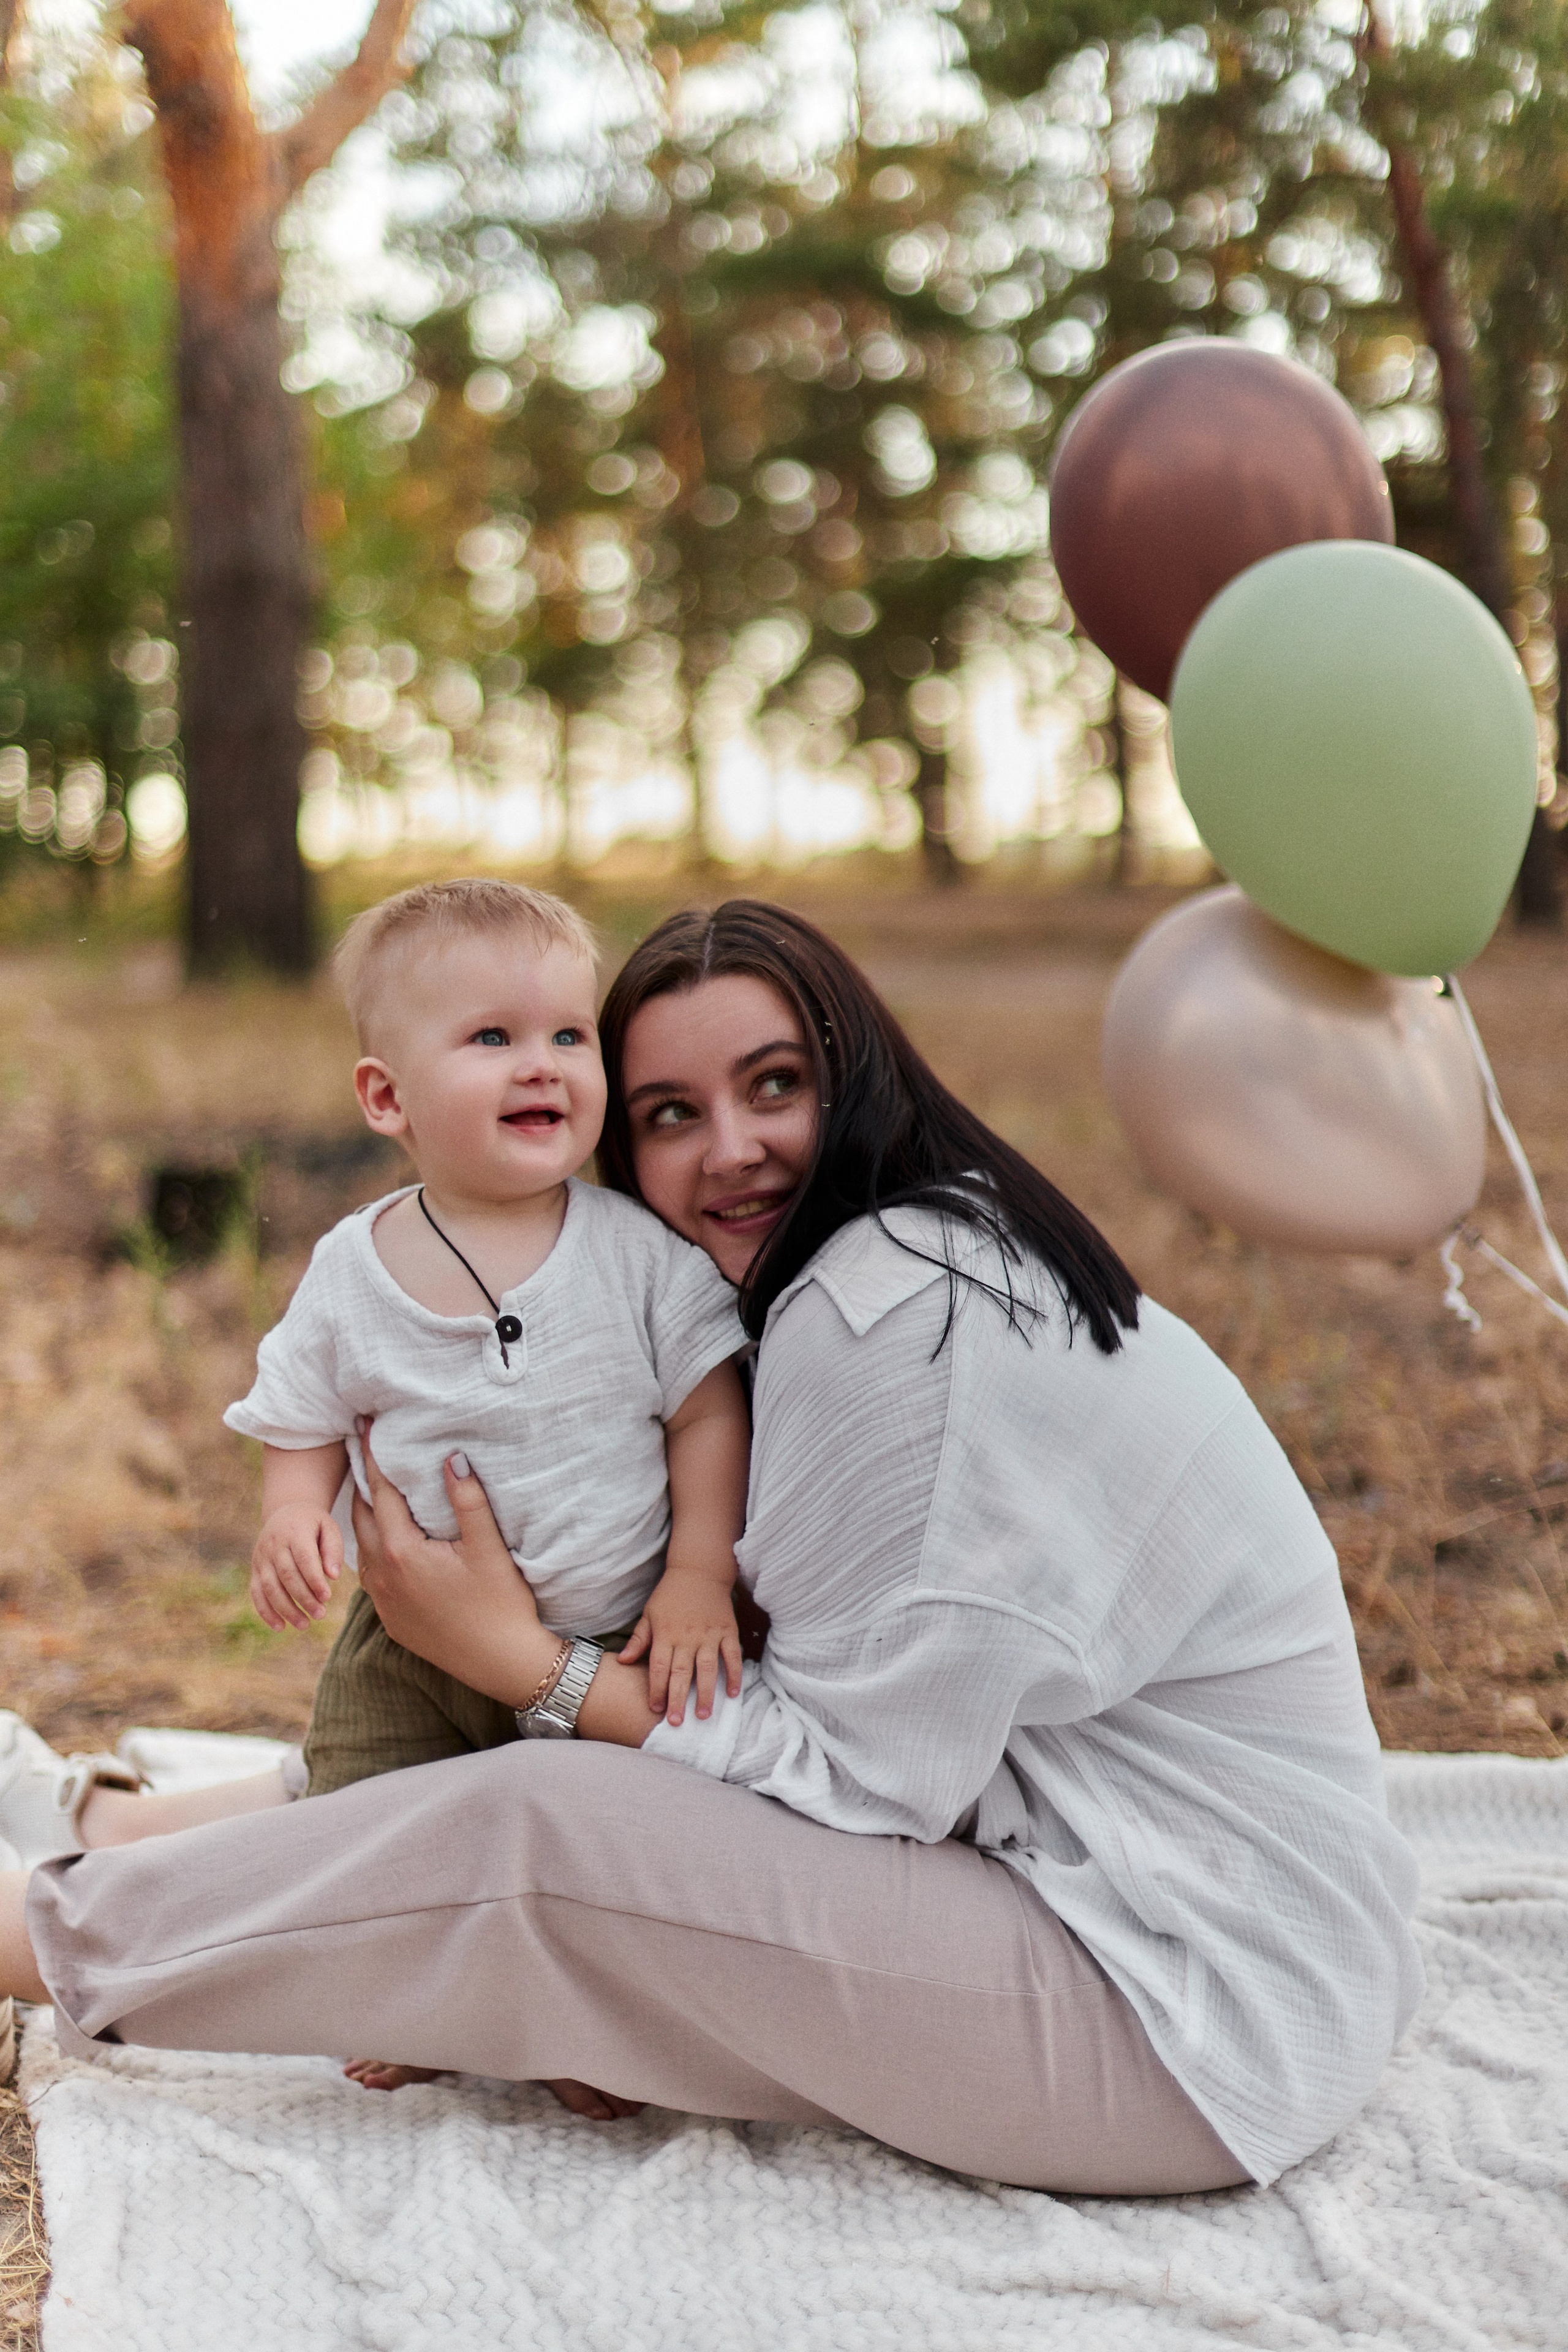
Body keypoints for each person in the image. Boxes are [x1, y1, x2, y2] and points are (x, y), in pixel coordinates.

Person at [0, 900, 1422, 2195]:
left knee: (543, 1818)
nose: (727, 1150)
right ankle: (102, 1822)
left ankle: (47, 1939)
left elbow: (850, 1792)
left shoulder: (897, 1333)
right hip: (1146, 1902)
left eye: (774, 1086)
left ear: (853, 1075)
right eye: (671, 1112)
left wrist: (523, 1663)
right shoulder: (902, 1255)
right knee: (505, 1742)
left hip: (1180, 2014)